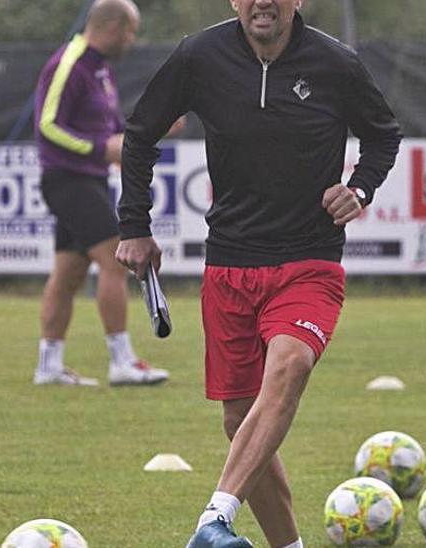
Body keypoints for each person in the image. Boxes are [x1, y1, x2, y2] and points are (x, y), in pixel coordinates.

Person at [115, 0, 402, 546]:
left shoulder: (335, 63)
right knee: (242, 422)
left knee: (290, 365)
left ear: (297, 2)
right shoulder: (199, 56)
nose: (261, 2)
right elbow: (140, 134)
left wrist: (360, 187)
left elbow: (384, 134)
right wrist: (134, 226)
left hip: (309, 259)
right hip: (229, 263)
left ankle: (214, 517)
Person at [32, 0, 170, 386]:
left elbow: (112, 132)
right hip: (67, 179)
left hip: (87, 179)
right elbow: (48, 125)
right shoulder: (70, 63)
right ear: (112, 27)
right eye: (130, 31)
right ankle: (121, 361)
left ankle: (49, 366)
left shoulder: (100, 69)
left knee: (68, 273)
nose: (131, 40)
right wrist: (98, 150)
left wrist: (152, 130)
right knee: (116, 259)